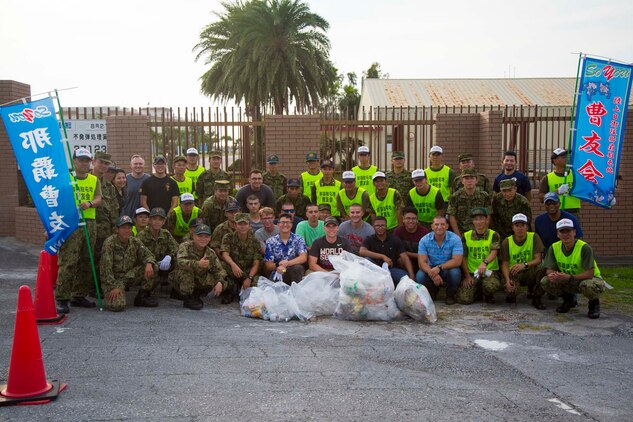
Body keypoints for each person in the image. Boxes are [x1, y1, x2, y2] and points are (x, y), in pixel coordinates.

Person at [55, 148, 102, 314]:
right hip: (71, 223)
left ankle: (79, 295)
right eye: (81, 160)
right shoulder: (66, 179)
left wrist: (89, 203)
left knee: (86, 259)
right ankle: (62, 297)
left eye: (87, 160)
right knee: (69, 260)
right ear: (74, 161)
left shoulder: (94, 179)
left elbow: (98, 198)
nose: (84, 163)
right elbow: (57, 202)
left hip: (89, 222)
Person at [540, 219, 605, 318]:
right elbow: (549, 268)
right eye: (562, 231)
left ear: (574, 232)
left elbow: (590, 273)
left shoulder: (584, 248)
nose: (565, 234)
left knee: (588, 285)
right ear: (558, 234)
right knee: (546, 281)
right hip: (568, 278)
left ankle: (594, 304)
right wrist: (552, 275)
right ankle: (569, 300)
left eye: (568, 231)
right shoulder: (554, 247)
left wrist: (570, 277)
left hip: (588, 279)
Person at [100, 215, 158, 312]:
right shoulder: (110, 243)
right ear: (117, 230)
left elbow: (149, 255)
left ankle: (142, 297)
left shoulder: (135, 241)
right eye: (123, 228)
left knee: (153, 267)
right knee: (117, 306)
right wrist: (114, 287)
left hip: (128, 277)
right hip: (113, 280)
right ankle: (110, 295)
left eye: (129, 228)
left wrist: (149, 263)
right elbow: (106, 269)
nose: (127, 230)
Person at [169, 224, 230, 310]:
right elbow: (180, 262)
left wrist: (220, 282)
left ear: (209, 238)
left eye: (206, 236)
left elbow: (220, 270)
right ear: (193, 236)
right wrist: (198, 264)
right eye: (200, 236)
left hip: (198, 278)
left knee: (222, 281)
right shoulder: (185, 246)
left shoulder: (210, 253)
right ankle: (188, 298)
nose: (203, 239)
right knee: (187, 271)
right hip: (180, 277)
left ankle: (197, 293)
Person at [498, 213, 546, 309]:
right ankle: (512, 293)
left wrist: (524, 264)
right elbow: (504, 264)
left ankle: (536, 296)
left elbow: (538, 259)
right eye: (517, 225)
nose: (520, 228)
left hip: (529, 270)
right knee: (511, 292)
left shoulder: (534, 237)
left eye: (522, 225)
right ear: (513, 228)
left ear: (527, 227)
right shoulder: (507, 242)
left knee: (543, 268)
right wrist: (507, 280)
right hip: (514, 273)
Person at [457, 208, 501, 305]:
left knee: (491, 286)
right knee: (464, 299)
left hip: (489, 271)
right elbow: (463, 257)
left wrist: (484, 263)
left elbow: (494, 252)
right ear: (473, 221)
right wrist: (467, 276)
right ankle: (477, 292)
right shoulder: (466, 236)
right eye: (476, 219)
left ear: (486, 220)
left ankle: (487, 294)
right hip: (473, 272)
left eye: (481, 219)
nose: (479, 222)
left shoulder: (494, 234)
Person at [416, 216, 463, 305]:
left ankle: (450, 295)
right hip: (430, 268)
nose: (439, 227)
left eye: (442, 224)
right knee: (420, 277)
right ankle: (431, 292)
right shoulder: (424, 240)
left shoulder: (455, 239)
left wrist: (439, 268)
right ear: (432, 226)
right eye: (436, 224)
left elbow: (457, 261)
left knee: (455, 273)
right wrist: (432, 273)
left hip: (447, 268)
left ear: (447, 226)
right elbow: (422, 262)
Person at [136, 208, 179, 298]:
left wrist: (169, 256)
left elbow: (177, 249)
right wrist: (151, 262)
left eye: (160, 220)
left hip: (163, 263)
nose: (157, 222)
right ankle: (144, 292)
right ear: (150, 221)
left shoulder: (166, 234)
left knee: (180, 261)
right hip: (148, 265)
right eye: (154, 219)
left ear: (164, 222)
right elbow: (139, 254)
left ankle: (177, 290)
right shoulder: (142, 235)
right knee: (152, 268)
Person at [360, 217, 415, 285]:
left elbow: (404, 257)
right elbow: (362, 251)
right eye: (377, 225)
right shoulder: (369, 239)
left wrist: (411, 274)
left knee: (405, 277)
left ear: (386, 226)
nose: (380, 228)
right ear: (373, 227)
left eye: (382, 225)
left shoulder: (394, 239)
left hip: (391, 269)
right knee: (367, 259)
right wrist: (382, 256)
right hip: (375, 269)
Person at [220, 213, 262, 303]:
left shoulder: (255, 240)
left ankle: (244, 290)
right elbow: (225, 254)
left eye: (245, 224)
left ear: (249, 226)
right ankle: (229, 291)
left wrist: (249, 278)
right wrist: (233, 265)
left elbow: (256, 262)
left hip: (247, 271)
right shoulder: (228, 237)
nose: (242, 227)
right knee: (223, 266)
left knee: (257, 283)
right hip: (233, 269)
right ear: (235, 225)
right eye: (240, 224)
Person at [263, 213, 308, 284]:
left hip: (293, 272)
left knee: (298, 268)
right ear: (278, 224)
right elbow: (268, 265)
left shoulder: (299, 239)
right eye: (282, 222)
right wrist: (278, 265)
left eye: (288, 222)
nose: (285, 225)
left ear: (292, 224)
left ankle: (295, 292)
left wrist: (287, 264)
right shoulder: (271, 241)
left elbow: (303, 257)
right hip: (278, 271)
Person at [447, 168, 492, 237]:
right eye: (466, 178)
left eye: (472, 178)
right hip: (461, 233)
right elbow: (451, 215)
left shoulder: (484, 196)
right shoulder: (455, 196)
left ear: (476, 180)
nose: (469, 181)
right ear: (462, 181)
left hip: (479, 232)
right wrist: (457, 235)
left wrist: (483, 231)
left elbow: (488, 214)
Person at [92, 152, 119, 260]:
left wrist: (114, 230)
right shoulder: (83, 181)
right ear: (93, 162)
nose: (103, 166)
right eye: (101, 162)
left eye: (106, 163)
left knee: (102, 261)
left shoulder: (109, 186)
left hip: (104, 233)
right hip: (86, 230)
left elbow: (114, 210)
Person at [539, 148, 580, 216]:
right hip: (556, 212)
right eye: (563, 157)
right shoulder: (548, 178)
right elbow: (541, 198)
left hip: (574, 211)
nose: (566, 158)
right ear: (554, 160)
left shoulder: (575, 175)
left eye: (566, 156)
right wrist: (556, 192)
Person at [121, 154, 150, 219]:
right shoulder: (124, 179)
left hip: (145, 218)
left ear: (144, 165)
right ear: (130, 166)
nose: (138, 166)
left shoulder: (149, 180)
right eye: (135, 164)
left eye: (140, 164)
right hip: (128, 218)